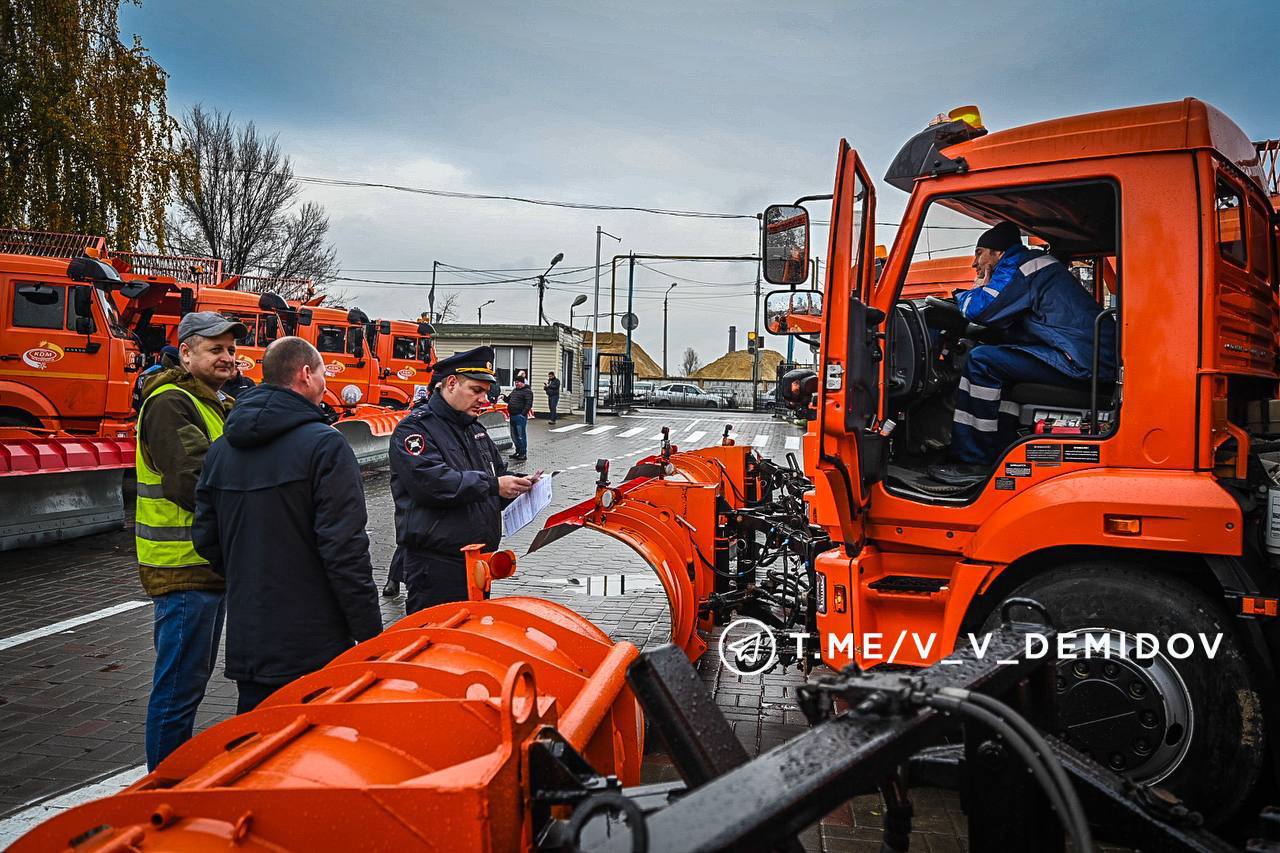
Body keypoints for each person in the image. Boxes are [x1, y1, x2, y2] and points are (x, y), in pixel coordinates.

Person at [193, 337, 383, 713]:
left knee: (255, 750)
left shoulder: (221, 448)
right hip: (316, 641)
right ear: (306, 374)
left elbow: (205, 536)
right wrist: (370, 633)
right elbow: (345, 549)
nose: (327, 384)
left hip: (251, 637)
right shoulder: (326, 446)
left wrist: (248, 577)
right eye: (324, 374)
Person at [928, 221, 1116, 486]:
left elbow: (980, 310)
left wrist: (972, 289)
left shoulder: (1021, 266)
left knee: (981, 360)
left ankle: (973, 460)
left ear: (997, 253)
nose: (975, 262)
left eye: (979, 252)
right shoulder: (1032, 265)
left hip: (1081, 361)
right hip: (1090, 358)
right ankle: (1002, 450)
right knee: (999, 365)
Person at [136, 311, 244, 770]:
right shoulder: (170, 402)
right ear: (186, 352)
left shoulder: (216, 403)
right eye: (215, 348)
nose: (226, 358)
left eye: (231, 350)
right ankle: (163, 789)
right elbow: (192, 480)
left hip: (206, 565)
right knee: (179, 687)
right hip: (182, 567)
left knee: (190, 682)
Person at [390, 346, 533, 613]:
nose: (484, 400)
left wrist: (516, 485)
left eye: (486, 392)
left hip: (478, 563)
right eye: (476, 391)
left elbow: (495, 476)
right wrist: (493, 485)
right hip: (437, 566)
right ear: (452, 384)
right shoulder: (415, 429)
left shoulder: (475, 429)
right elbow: (431, 484)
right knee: (437, 644)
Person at [505, 373, 534, 461]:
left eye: (518, 382)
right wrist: (503, 397)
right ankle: (517, 451)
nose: (516, 384)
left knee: (521, 435)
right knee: (514, 435)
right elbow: (508, 400)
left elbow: (528, 404)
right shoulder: (515, 391)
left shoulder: (527, 391)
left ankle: (523, 453)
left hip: (519, 416)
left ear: (522, 382)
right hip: (512, 416)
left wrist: (523, 414)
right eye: (515, 382)